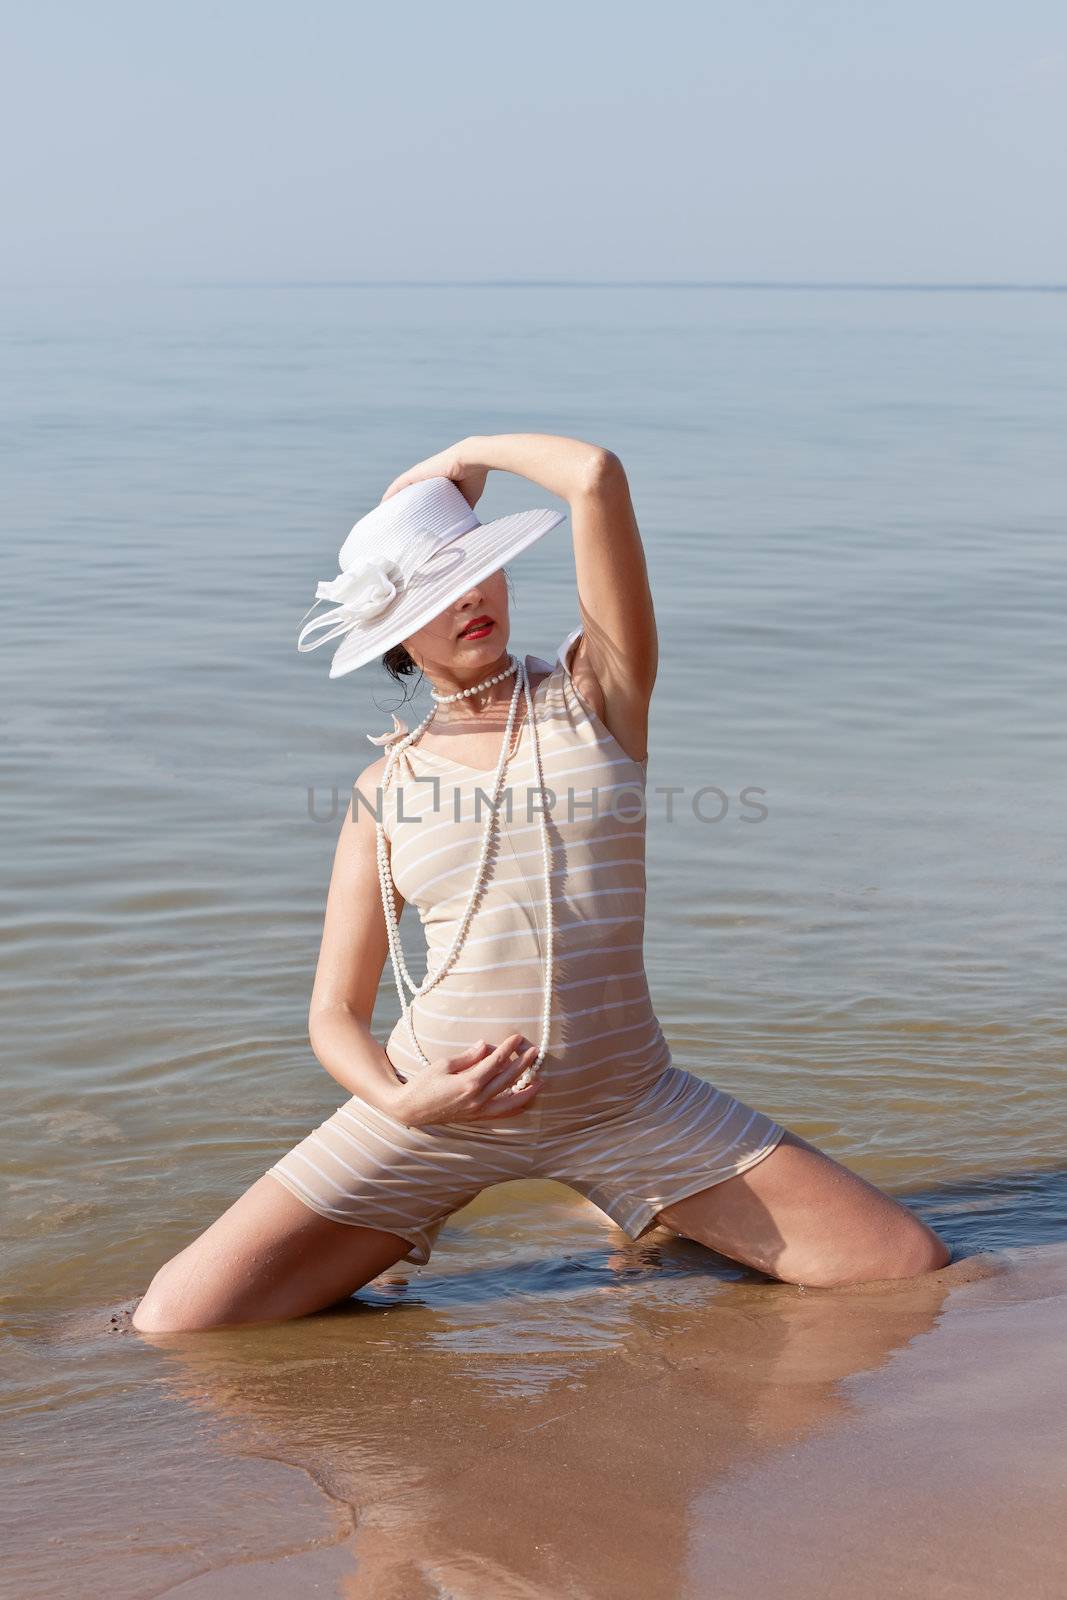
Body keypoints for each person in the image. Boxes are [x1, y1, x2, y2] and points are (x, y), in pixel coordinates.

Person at [132, 433, 950, 1334]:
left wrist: (465, 454)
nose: (471, 598)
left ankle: (632, 1205)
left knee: (904, 1271)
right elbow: (333, 1011)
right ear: (393, 637)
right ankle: (437, 1226)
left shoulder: (597, 694)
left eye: (477, 571)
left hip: (627, 1101)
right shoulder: (383, 789)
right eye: (437, 592)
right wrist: (406, 1101)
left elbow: (594, 475)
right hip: (435, 1115)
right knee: (182, 1321)